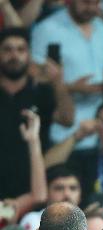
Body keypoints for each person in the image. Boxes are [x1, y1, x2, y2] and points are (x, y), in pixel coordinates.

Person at [31, 0, 103, 147]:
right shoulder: (47, 29)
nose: (91, 8)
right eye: (86, 3)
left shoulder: (101, 27)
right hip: (59, 127)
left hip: (97, 127)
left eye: (96, 3)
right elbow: (33, 79)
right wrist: (71, 88)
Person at [0, 27, 73, 200]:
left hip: (34, 187)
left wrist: (58, 82)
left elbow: (67, 119)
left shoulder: (42, 92)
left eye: (20, 50)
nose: (14, 56)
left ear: (29, 54)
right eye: (7, 49)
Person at [18, 165, 81, 230]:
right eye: (59, 188)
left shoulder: (90, 222)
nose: (67, 194)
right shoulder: (33, 219)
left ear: (80, 194)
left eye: (73, 188)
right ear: (47, 193)